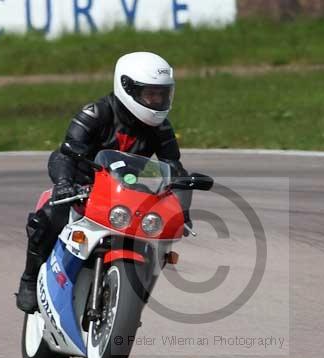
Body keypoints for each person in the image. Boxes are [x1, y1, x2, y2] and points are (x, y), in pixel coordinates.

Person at [16, 51, 193, 313]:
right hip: (81, 187)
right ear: (127, 88)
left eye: (162, 94)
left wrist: (182, 209)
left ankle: (132, 299)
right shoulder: (95, 113)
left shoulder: (162, 128)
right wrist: (65, 183)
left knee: (157, 239)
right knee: (49, 216)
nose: (157, 100)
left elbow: (174, 168)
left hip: (125, 193)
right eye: (150, 94)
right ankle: (30, 279)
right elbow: (65, 153)